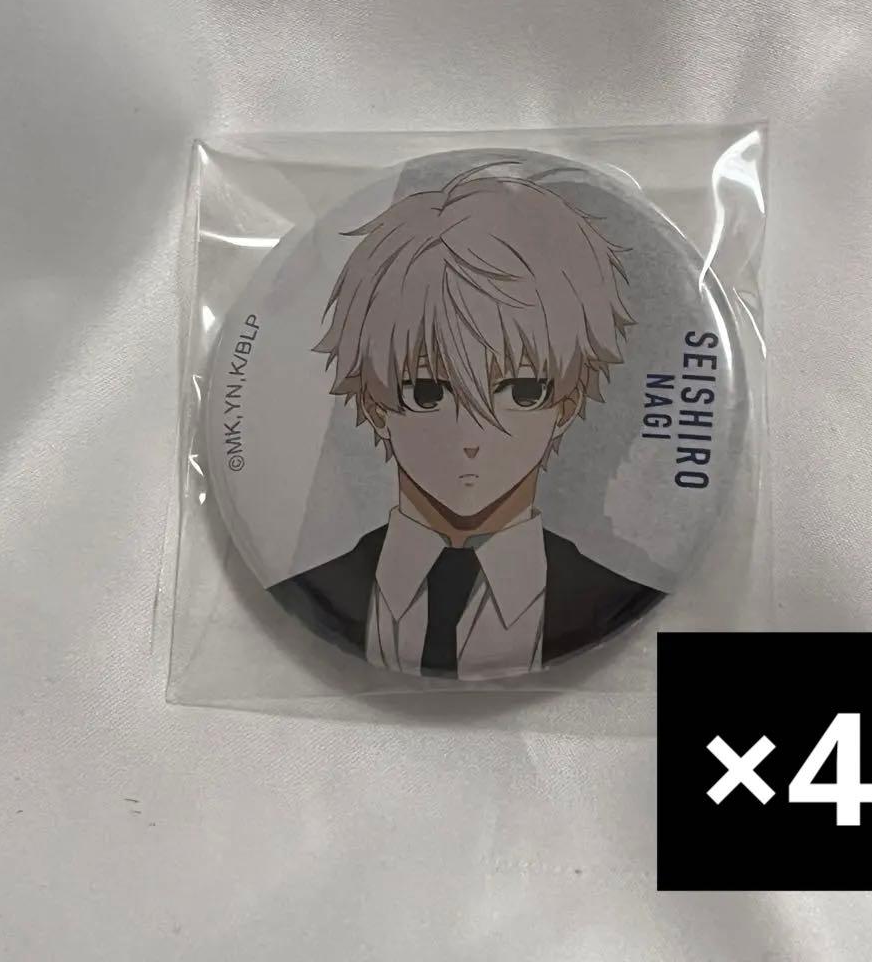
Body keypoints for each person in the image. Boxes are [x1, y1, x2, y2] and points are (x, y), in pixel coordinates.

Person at [270, 163, 661, 678]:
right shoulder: (307, 594)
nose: (470, 436)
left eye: (522, 391)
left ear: (567, 404)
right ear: (374, 403)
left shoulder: (619, 598)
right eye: (428, 392)